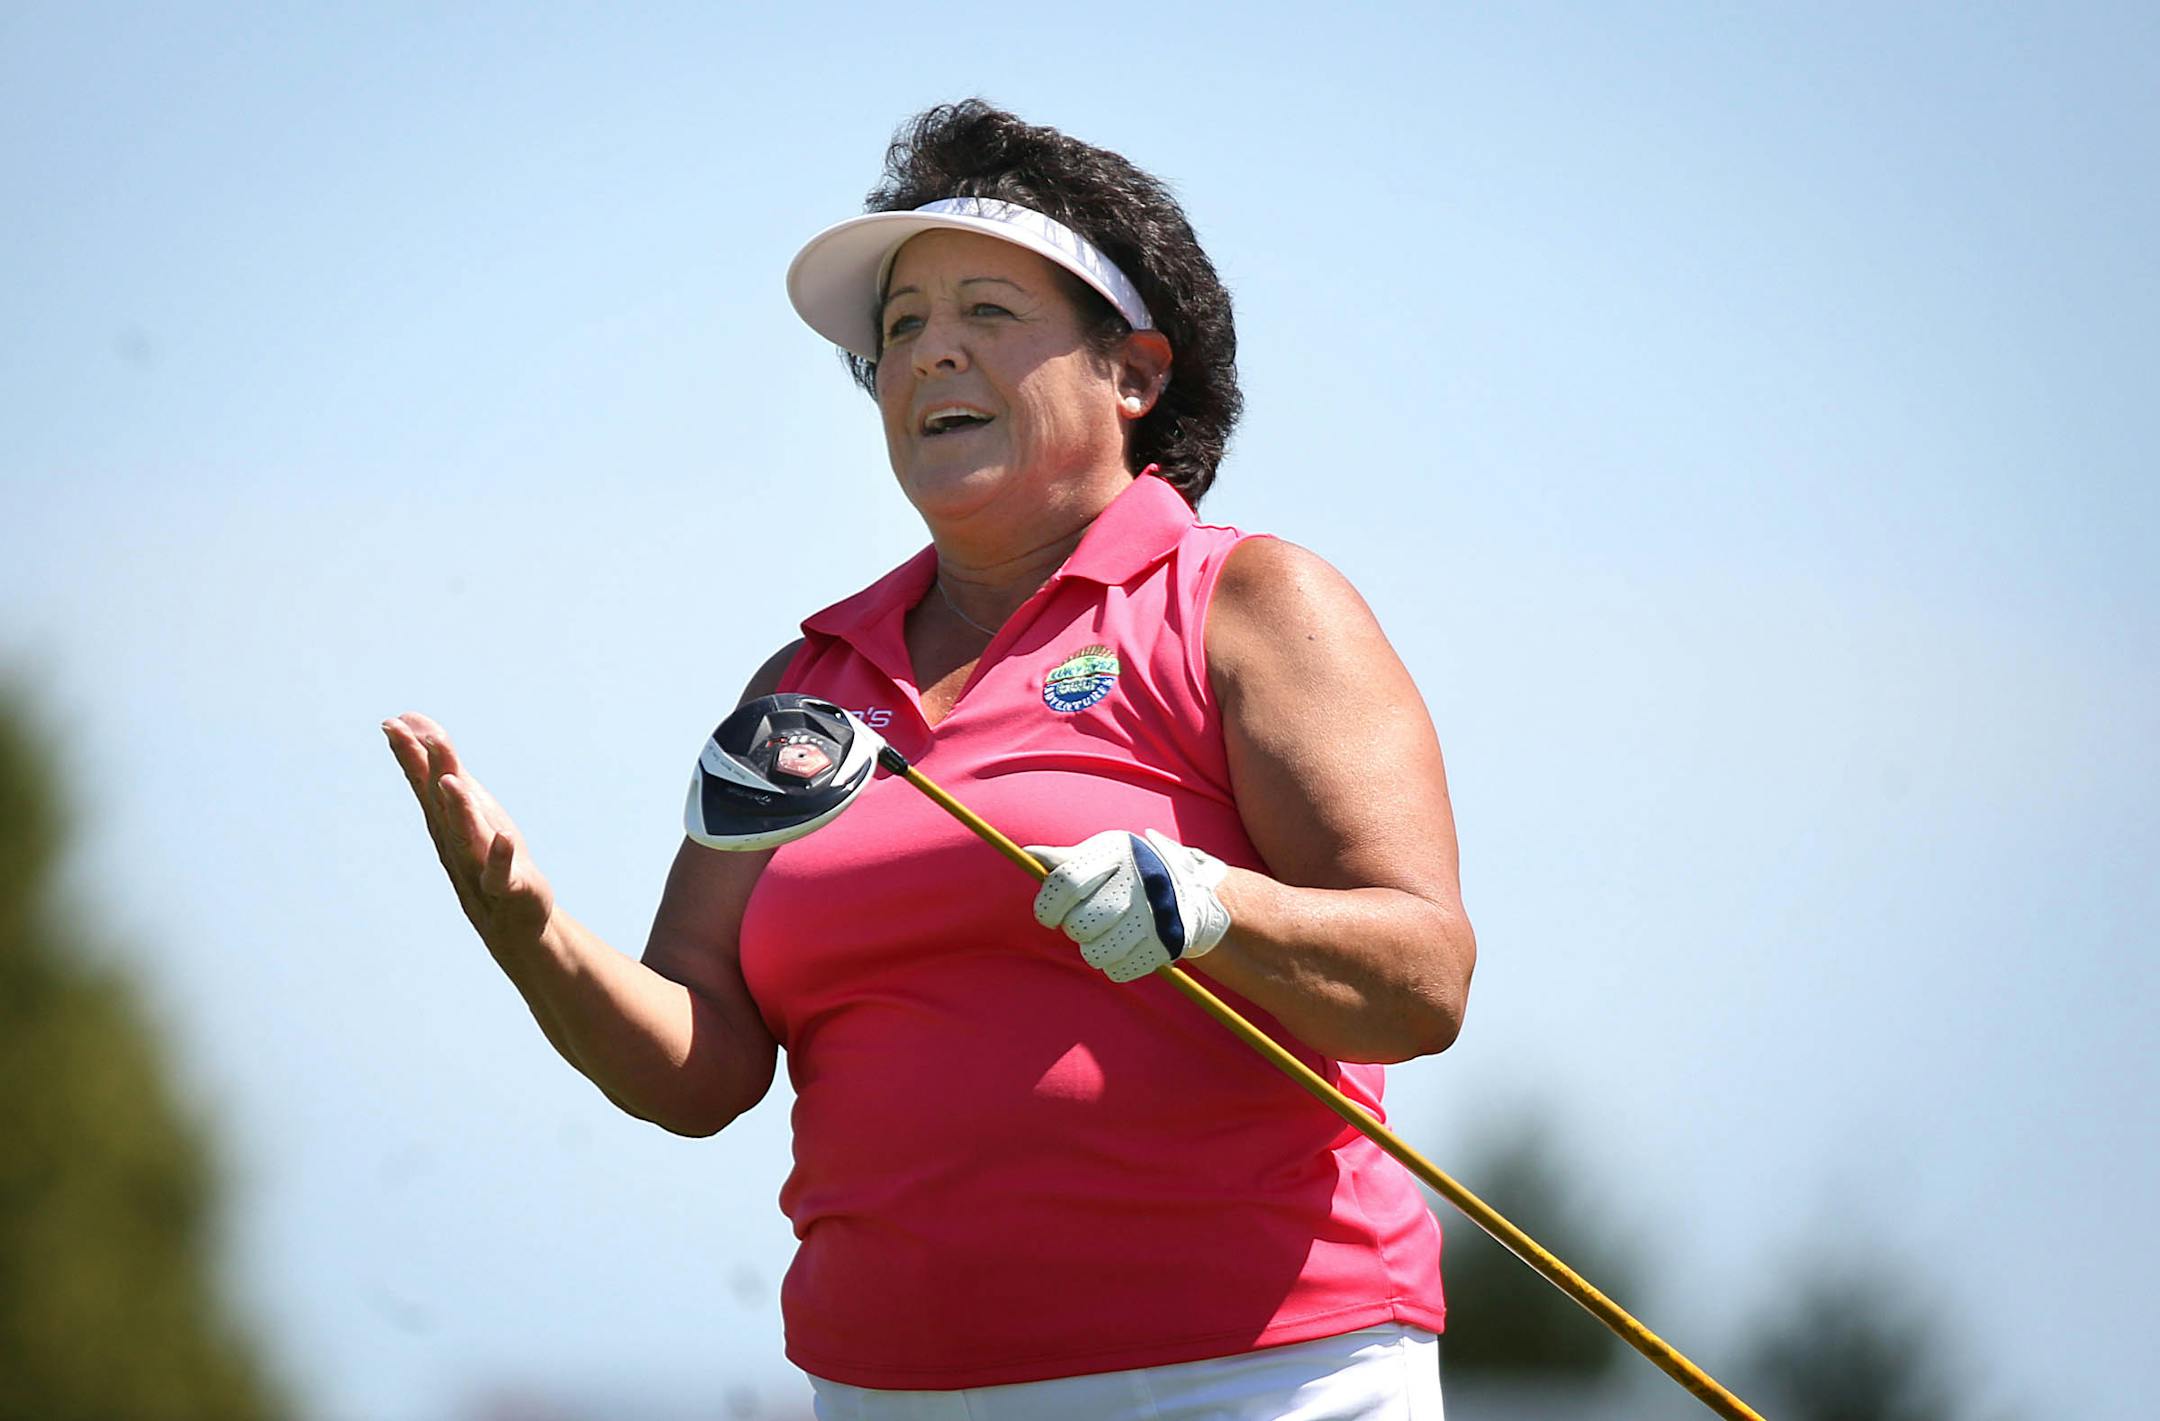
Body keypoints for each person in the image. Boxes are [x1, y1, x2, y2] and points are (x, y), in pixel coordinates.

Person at [384, 101, 1476, 1420]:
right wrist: (534, 933)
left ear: (1132, 372)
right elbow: (701, 1063)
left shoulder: (1247, 603)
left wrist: (1213, 904)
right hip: (889, 1387)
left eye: (987, 313)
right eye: (900, 328)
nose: (927, 355)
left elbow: (1422, 979)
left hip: (1258, 1376)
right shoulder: (803, 686)